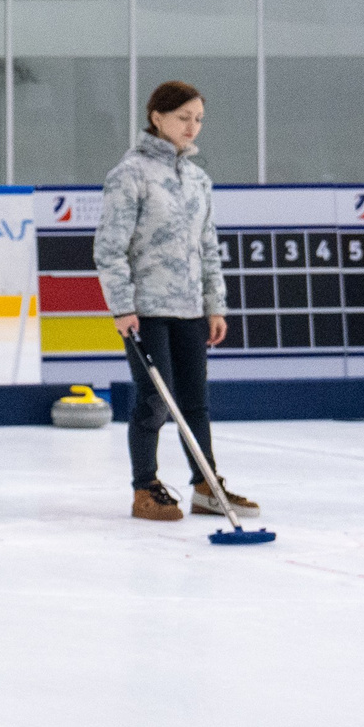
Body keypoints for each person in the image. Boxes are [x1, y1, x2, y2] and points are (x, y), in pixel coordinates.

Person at [100, 80, 256, 523]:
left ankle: (206, 485)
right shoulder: (128, 175)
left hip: (190, 308)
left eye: (198, 119)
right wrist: (122, 306)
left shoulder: (198, 180)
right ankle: (144, 487)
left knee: (195, 402)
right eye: (184, 118)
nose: (192, 127)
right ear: (158, 117)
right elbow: (109, 248)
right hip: (146, 308)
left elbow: (208, 247)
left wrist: (215, 304)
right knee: (154, 400)